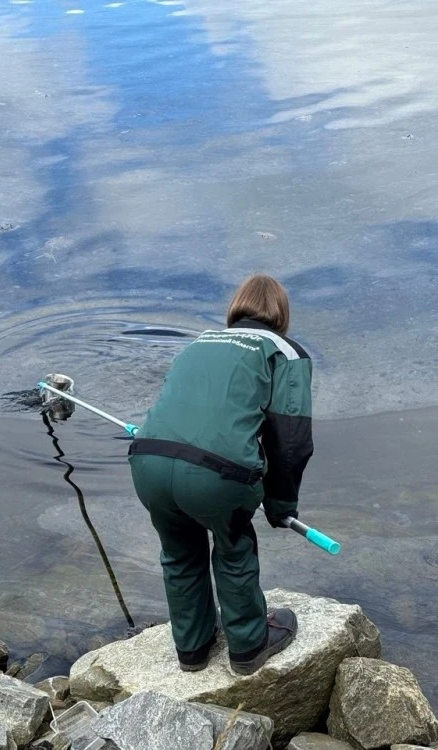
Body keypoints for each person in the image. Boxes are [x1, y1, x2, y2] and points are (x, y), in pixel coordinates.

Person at [128, 274, 314, 675]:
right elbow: (291, 439)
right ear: (281, 314)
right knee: (233, 548)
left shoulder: (199, 341)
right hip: (216, 477)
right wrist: (280, 505)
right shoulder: (286, 352)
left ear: (236, 307)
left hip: (147, 460)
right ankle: (248, 646)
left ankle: (192, 650)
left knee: (179, 552)